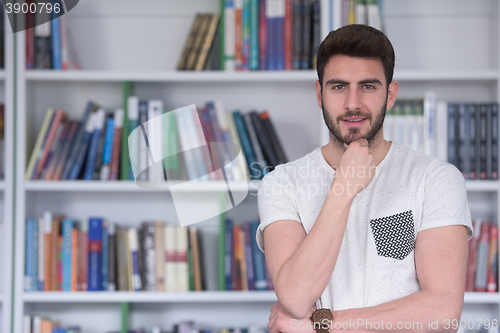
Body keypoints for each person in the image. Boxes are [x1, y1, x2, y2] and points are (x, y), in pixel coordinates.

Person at [256, 24, 472, 333]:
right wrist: (343, 187)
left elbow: (441, 312)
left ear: (390, 94)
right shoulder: (282, 183)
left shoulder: (436, 179)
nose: (353, 103)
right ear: (319, 94)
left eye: (368, 86)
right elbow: (294, 297)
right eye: (338, 86)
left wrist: (322, 325)